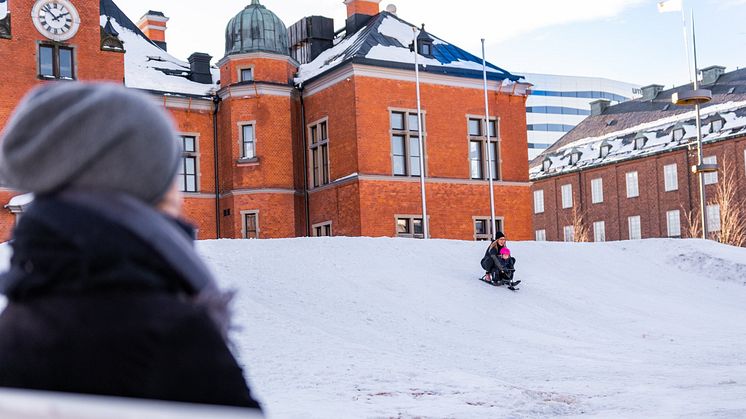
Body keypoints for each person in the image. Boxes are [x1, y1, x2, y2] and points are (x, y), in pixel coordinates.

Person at [0, 82, 262, 410]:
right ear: (138, 184)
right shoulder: (172, 333)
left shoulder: (18, 317)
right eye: (169, 173)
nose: (178, 190)